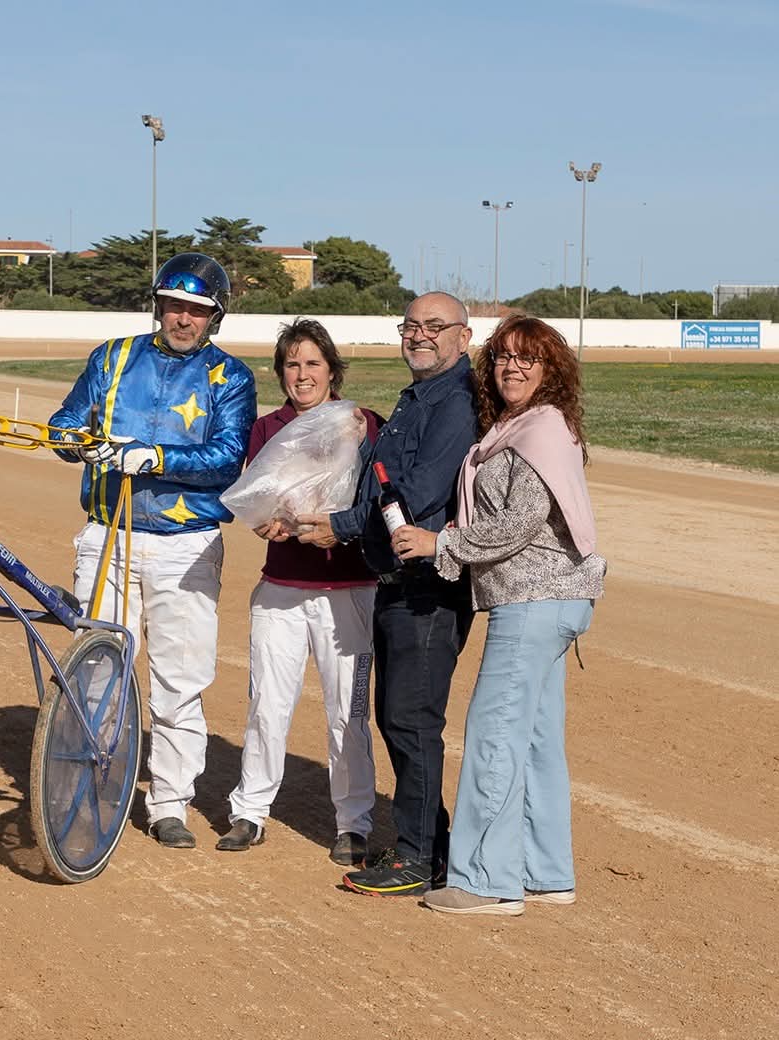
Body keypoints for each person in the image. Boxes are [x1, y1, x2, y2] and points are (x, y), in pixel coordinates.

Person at [390, 315, 605, 915]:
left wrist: (443, 545)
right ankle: (544, 870)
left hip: (534, 600)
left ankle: (485, 880)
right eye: (504, 357)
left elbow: (521, 522)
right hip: (549, 598)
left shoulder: (540, 430)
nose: (513, 367)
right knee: (535, 740)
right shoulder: (523, 426)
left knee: (495, 736)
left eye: (527, 359)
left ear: (551, 370)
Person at [50, 252, 256, 849]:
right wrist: (80, 444)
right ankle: (92, 784)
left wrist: (156, 458)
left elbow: (227, 459)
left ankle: (170, 802)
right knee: (97, 674)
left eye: (197, 310)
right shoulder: (112, 357)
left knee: (177, 681)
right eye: (174, 306)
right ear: (158, 305)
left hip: (186, 546)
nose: (183, 319)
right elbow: (63, 422)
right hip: (106, 534)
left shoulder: (230, 378)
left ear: (213, 318)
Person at [291, 291, 479, 896]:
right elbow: (378, 481)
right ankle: (435, 844)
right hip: (396, 582)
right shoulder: (417, 398)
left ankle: (418, 855)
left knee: (410, 721)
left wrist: (340, 527)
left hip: (428, 589)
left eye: (434, 326)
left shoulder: (455, 403)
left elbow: (420, 495)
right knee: (399, 718)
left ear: (463, 336)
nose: (420, 335)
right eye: (411, 326)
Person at [219, 320, 382, 862]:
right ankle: (250, 812)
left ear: (333, 370)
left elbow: (375, 501)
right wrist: (261, 523)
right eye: (292, 364)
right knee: (267, 703)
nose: (302, 374)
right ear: (280, 372)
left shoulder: (363, 423)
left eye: (313, 363)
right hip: (282, 587)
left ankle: (354, 823)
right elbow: (257, 498)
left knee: (348, 711)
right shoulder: (267, 429)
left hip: (348, 590)